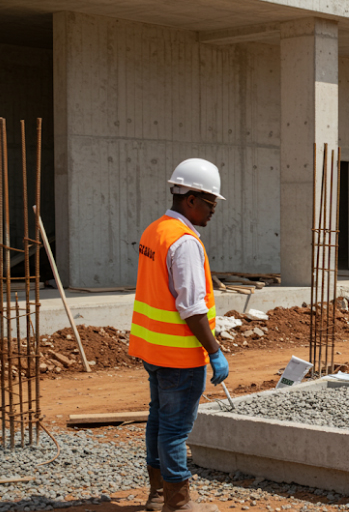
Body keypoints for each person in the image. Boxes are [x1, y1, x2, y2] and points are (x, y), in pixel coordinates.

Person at [129, 158, 229, 512]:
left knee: (158, 422)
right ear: (190, 199)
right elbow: (191, 307)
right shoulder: (184, 242)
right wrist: (214, 351)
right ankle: (178, 504)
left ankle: (158, 495)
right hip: (180, 358)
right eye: (211, 203)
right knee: (174, 431)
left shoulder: (154, 231)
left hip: (153, 351)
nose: (213, 210)